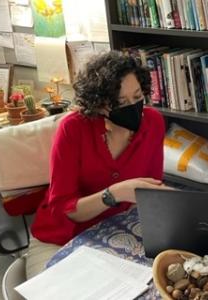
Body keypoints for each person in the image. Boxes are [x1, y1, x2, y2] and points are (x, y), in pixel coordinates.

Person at [27, 51, 169, 278]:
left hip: (115, 230)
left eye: (137, 96)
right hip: (59, 237)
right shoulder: (73, 129)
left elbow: (150, 190)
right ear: (99, 103)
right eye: (121, 102)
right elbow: (65, 209)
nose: (133, 107)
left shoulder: (153, 123)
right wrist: (115, 193)